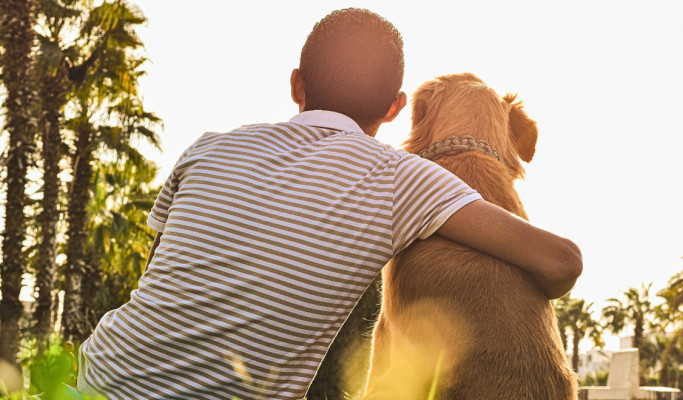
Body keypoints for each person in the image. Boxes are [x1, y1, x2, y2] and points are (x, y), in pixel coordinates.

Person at [76, 8, 582, 400]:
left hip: (90, 377)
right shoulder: (403, 179)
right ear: (393, 108)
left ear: (296, 84)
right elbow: (562, 261)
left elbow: (156, 275)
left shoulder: (208, 146)